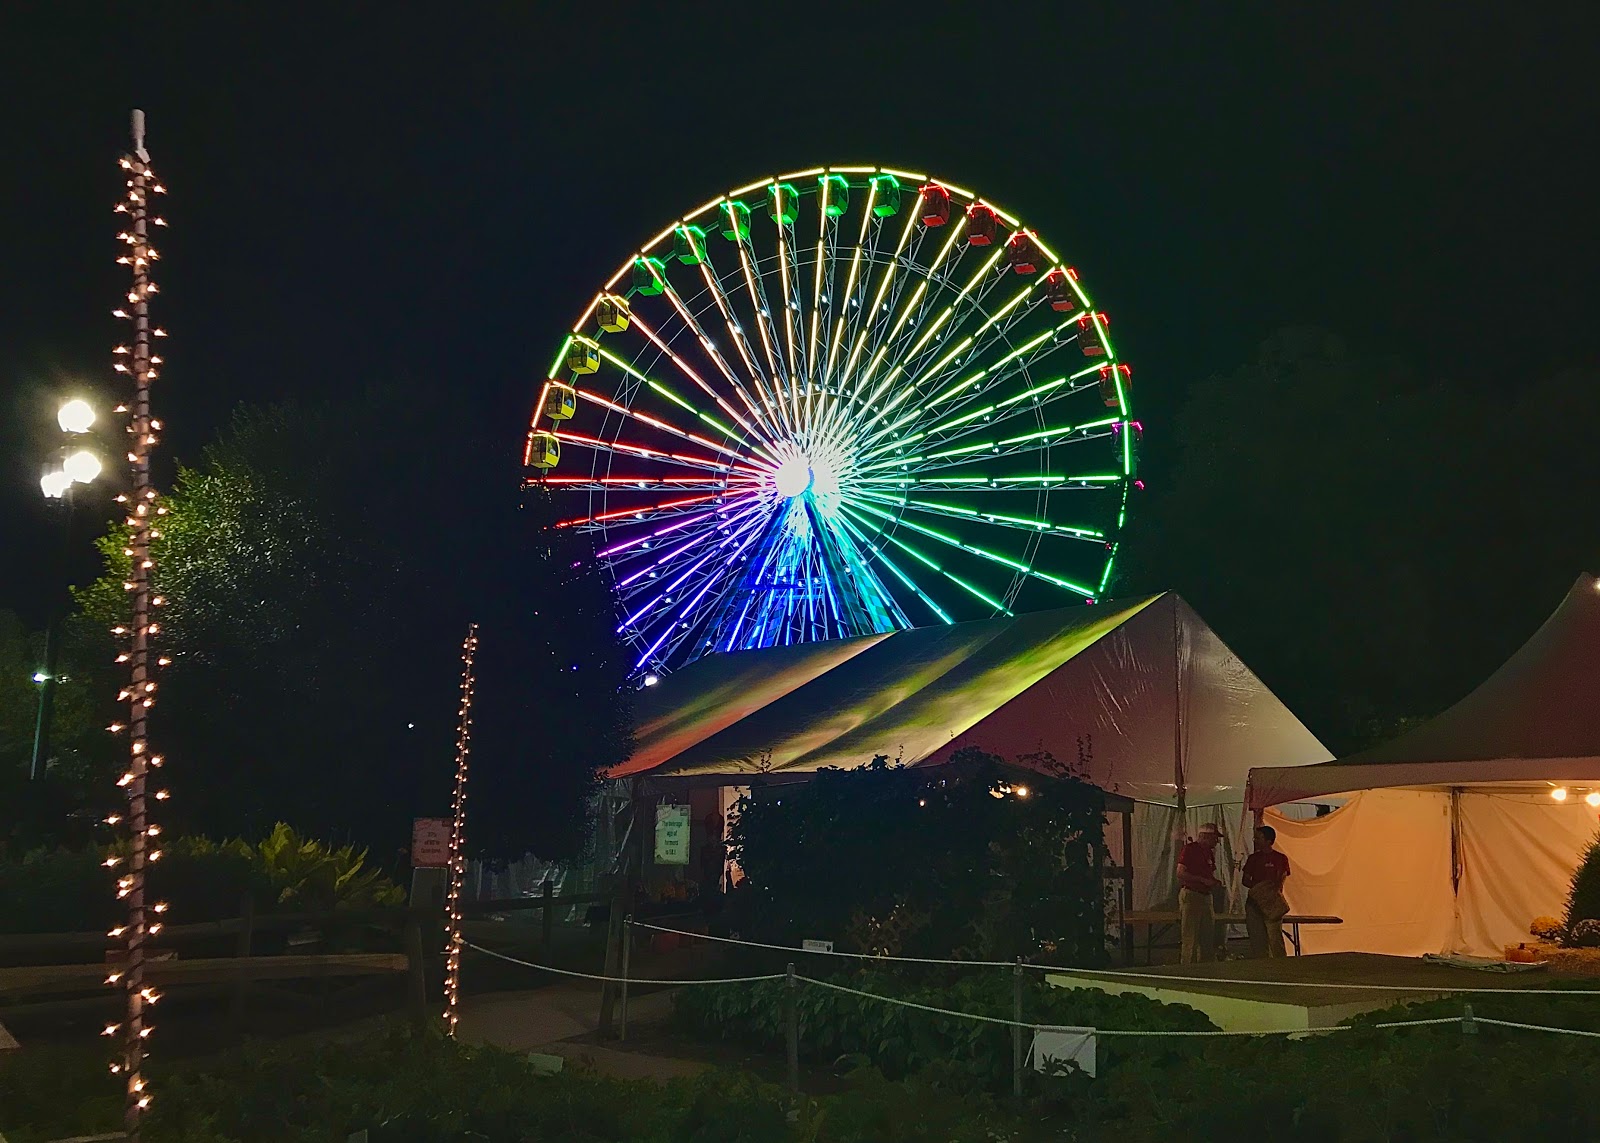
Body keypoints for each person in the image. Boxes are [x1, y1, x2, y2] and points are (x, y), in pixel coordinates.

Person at [1242, 824, 1291, 958]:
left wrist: (1271, 892)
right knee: (1258, 941)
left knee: (1275, 940)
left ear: (1268, 840)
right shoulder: (1253, 858)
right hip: (1254, 904)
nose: (1255, 840)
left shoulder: (1281, 858)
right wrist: (1259, 890)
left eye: (1258, 838)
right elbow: (1245, 879)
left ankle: (1281, 970)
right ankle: (1262, 970)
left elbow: (1282, 877)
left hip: (1272, 904)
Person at [1177, 822, 1222, 964]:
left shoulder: (1209, 852)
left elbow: (1208, 872)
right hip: (1192, 894)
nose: (1217, 841)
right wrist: (1202, 880)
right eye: (1215, 837)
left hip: (1206, 896)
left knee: (1207, 936)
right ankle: (1188, 971)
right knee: (1190, 937)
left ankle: (1207, 969)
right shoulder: (1190, 849)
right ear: (1205, 836)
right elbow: (1180, 873)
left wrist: (1213, 881)